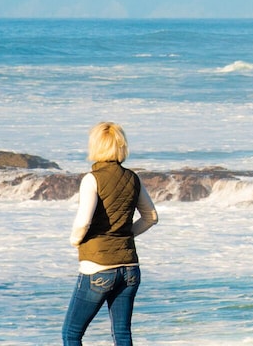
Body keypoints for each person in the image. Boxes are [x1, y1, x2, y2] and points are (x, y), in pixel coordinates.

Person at [63, 122, 158, 346]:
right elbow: (151, 217)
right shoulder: (133, 178)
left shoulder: (92, 179)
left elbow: (83, 222)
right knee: (122, 334)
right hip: (130, 268)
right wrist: (125, 236)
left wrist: (75, 241)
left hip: (98, 267)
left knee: (71, 334)